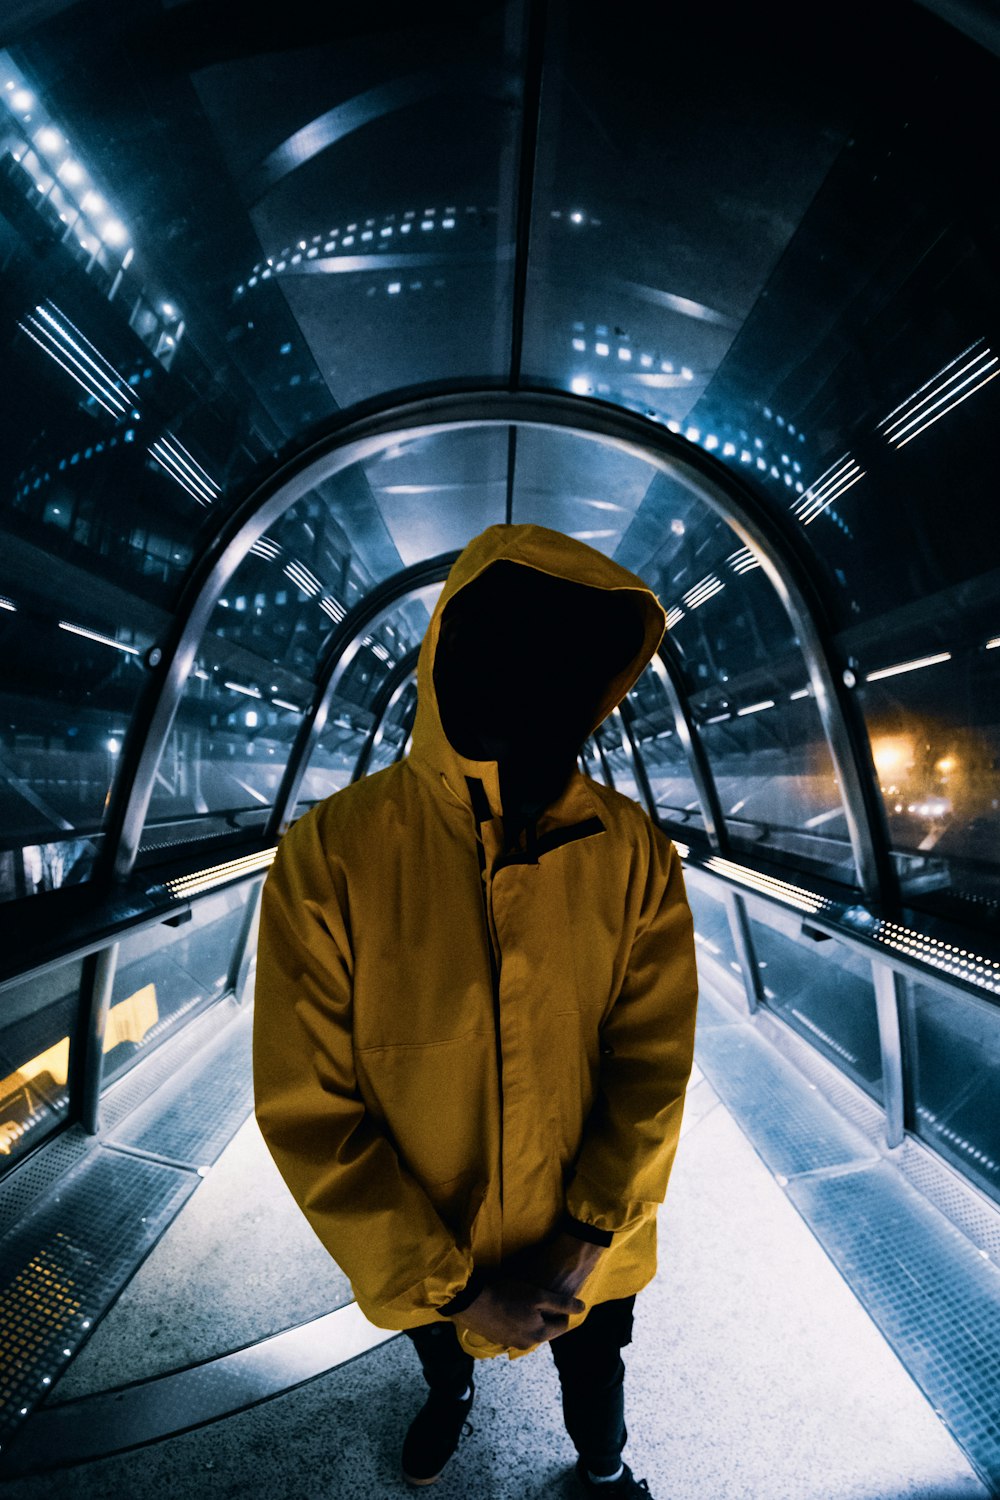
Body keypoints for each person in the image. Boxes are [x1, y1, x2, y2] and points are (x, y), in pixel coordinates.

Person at [253, 523, 699, 1496]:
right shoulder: (332, 856)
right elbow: (309, 1105)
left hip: (593, 1241)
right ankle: (451, 1393)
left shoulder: (630, 850)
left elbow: (653, 1060)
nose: (532, 682)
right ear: (448, 657)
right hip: (430, 1240)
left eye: (562, 658)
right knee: (441, 1344)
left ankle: (603, 1462)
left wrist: (587, 1231)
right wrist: (451, 1289)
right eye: (509, 647)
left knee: (596, 1359)